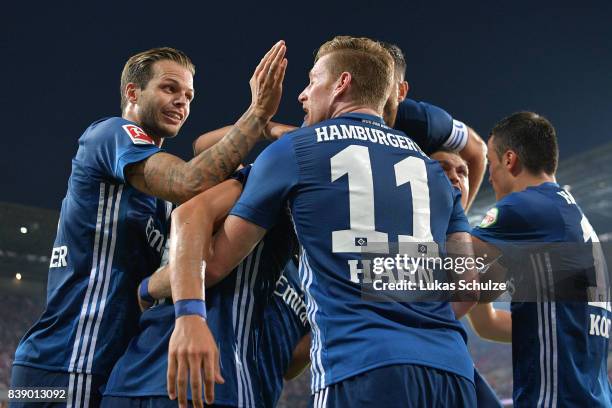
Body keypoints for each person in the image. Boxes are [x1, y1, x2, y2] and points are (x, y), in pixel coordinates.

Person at [184, 35, 478, 407]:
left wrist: (152, 288)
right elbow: (467, 285)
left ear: (342, 84)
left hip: (360, 369)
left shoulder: (295, 151)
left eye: (311, 80)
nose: (302, 95)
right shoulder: (434, 171)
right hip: (450, 371)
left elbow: (213, 266)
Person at [10, 42, 287, 408]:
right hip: (68, 361)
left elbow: (202, 147)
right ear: (132, 92)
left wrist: (272, 132)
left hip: (108, 362)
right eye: (169, 88)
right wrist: (256, 114)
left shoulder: (157, 198)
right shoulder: (111, 135)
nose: (182, 102)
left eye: (189, 95)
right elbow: (189, 178)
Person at [193, 42, 487, 212]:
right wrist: (265, 127)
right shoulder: (320, 129)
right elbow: (202, 148)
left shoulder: (422, 121)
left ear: (400, 91)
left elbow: (477, 150)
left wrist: (458, 218)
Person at [471, 112, 611, 407]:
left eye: (491, 167)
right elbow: (488, 325)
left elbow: (445, 267)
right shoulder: (569, 215)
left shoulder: (527, 207)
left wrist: (359, 269)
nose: (491, 178)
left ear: (509, 160)